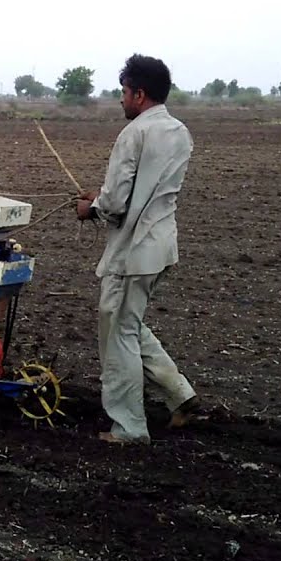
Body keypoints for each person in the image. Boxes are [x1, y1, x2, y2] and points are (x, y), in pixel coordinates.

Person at [75, 54, 200, 444]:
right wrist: (105, 197)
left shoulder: (132, 134)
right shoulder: (179, 131)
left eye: (125, 92)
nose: (122, 99)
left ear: (140, 94)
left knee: (118, 336)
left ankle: (128, 427)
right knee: (128, 324)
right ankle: (181, 395)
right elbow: (144, 188)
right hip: (161, 247)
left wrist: (89, 207)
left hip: (132, 252)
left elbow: (114, 204)